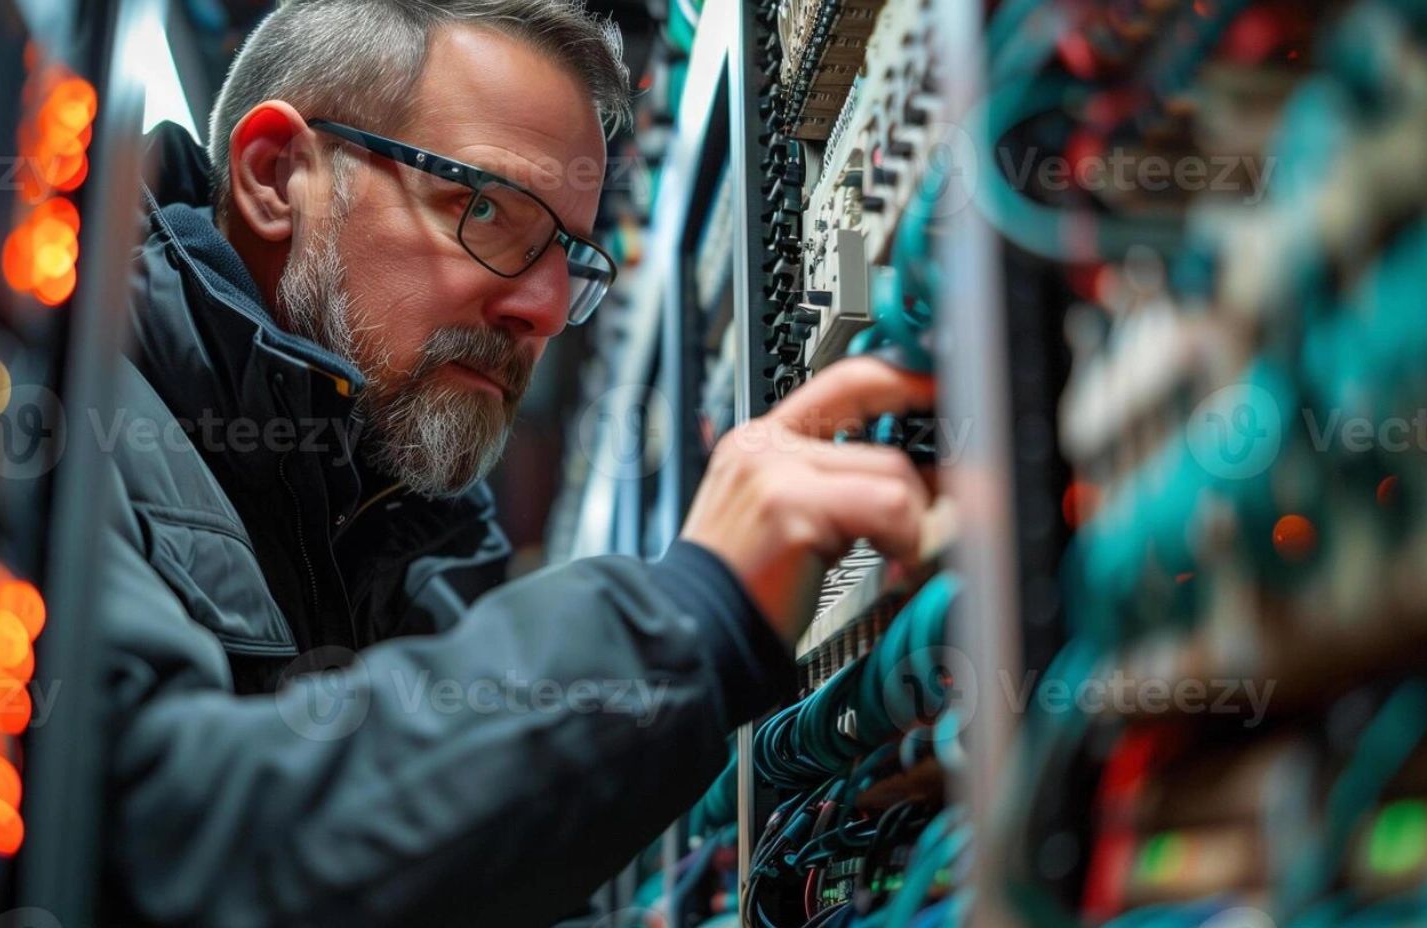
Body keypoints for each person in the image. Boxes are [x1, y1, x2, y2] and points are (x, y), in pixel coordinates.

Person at [95, 1, 936, 924]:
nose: (541, 308)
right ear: (275, 177)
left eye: (571, 257)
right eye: (487, 208)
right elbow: (166, 850)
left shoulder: (421, 552)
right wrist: (685, 623)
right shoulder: (75, 442)